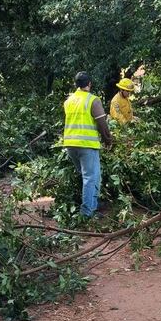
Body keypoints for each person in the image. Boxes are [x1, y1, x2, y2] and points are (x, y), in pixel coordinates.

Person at [63, 71, 113, 218]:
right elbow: (102, 124)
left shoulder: (68, 101)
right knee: (91, 178)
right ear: (89, 84)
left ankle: (93, 204)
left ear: (76, 85)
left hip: (70, 144)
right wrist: (108, 140)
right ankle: (87, 213)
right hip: (86, 144)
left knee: (90, 177)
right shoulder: (93, 100)